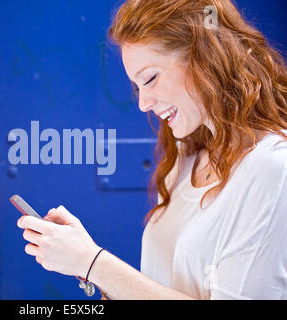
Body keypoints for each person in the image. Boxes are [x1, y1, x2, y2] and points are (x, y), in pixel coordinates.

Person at [17, 0, 287, 299]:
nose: (144, 103)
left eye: (150, 79)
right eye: (137, 87)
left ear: (205, 58)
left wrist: (93, 262)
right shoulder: (188, 156)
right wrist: (80, 257)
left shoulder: (272, 168)